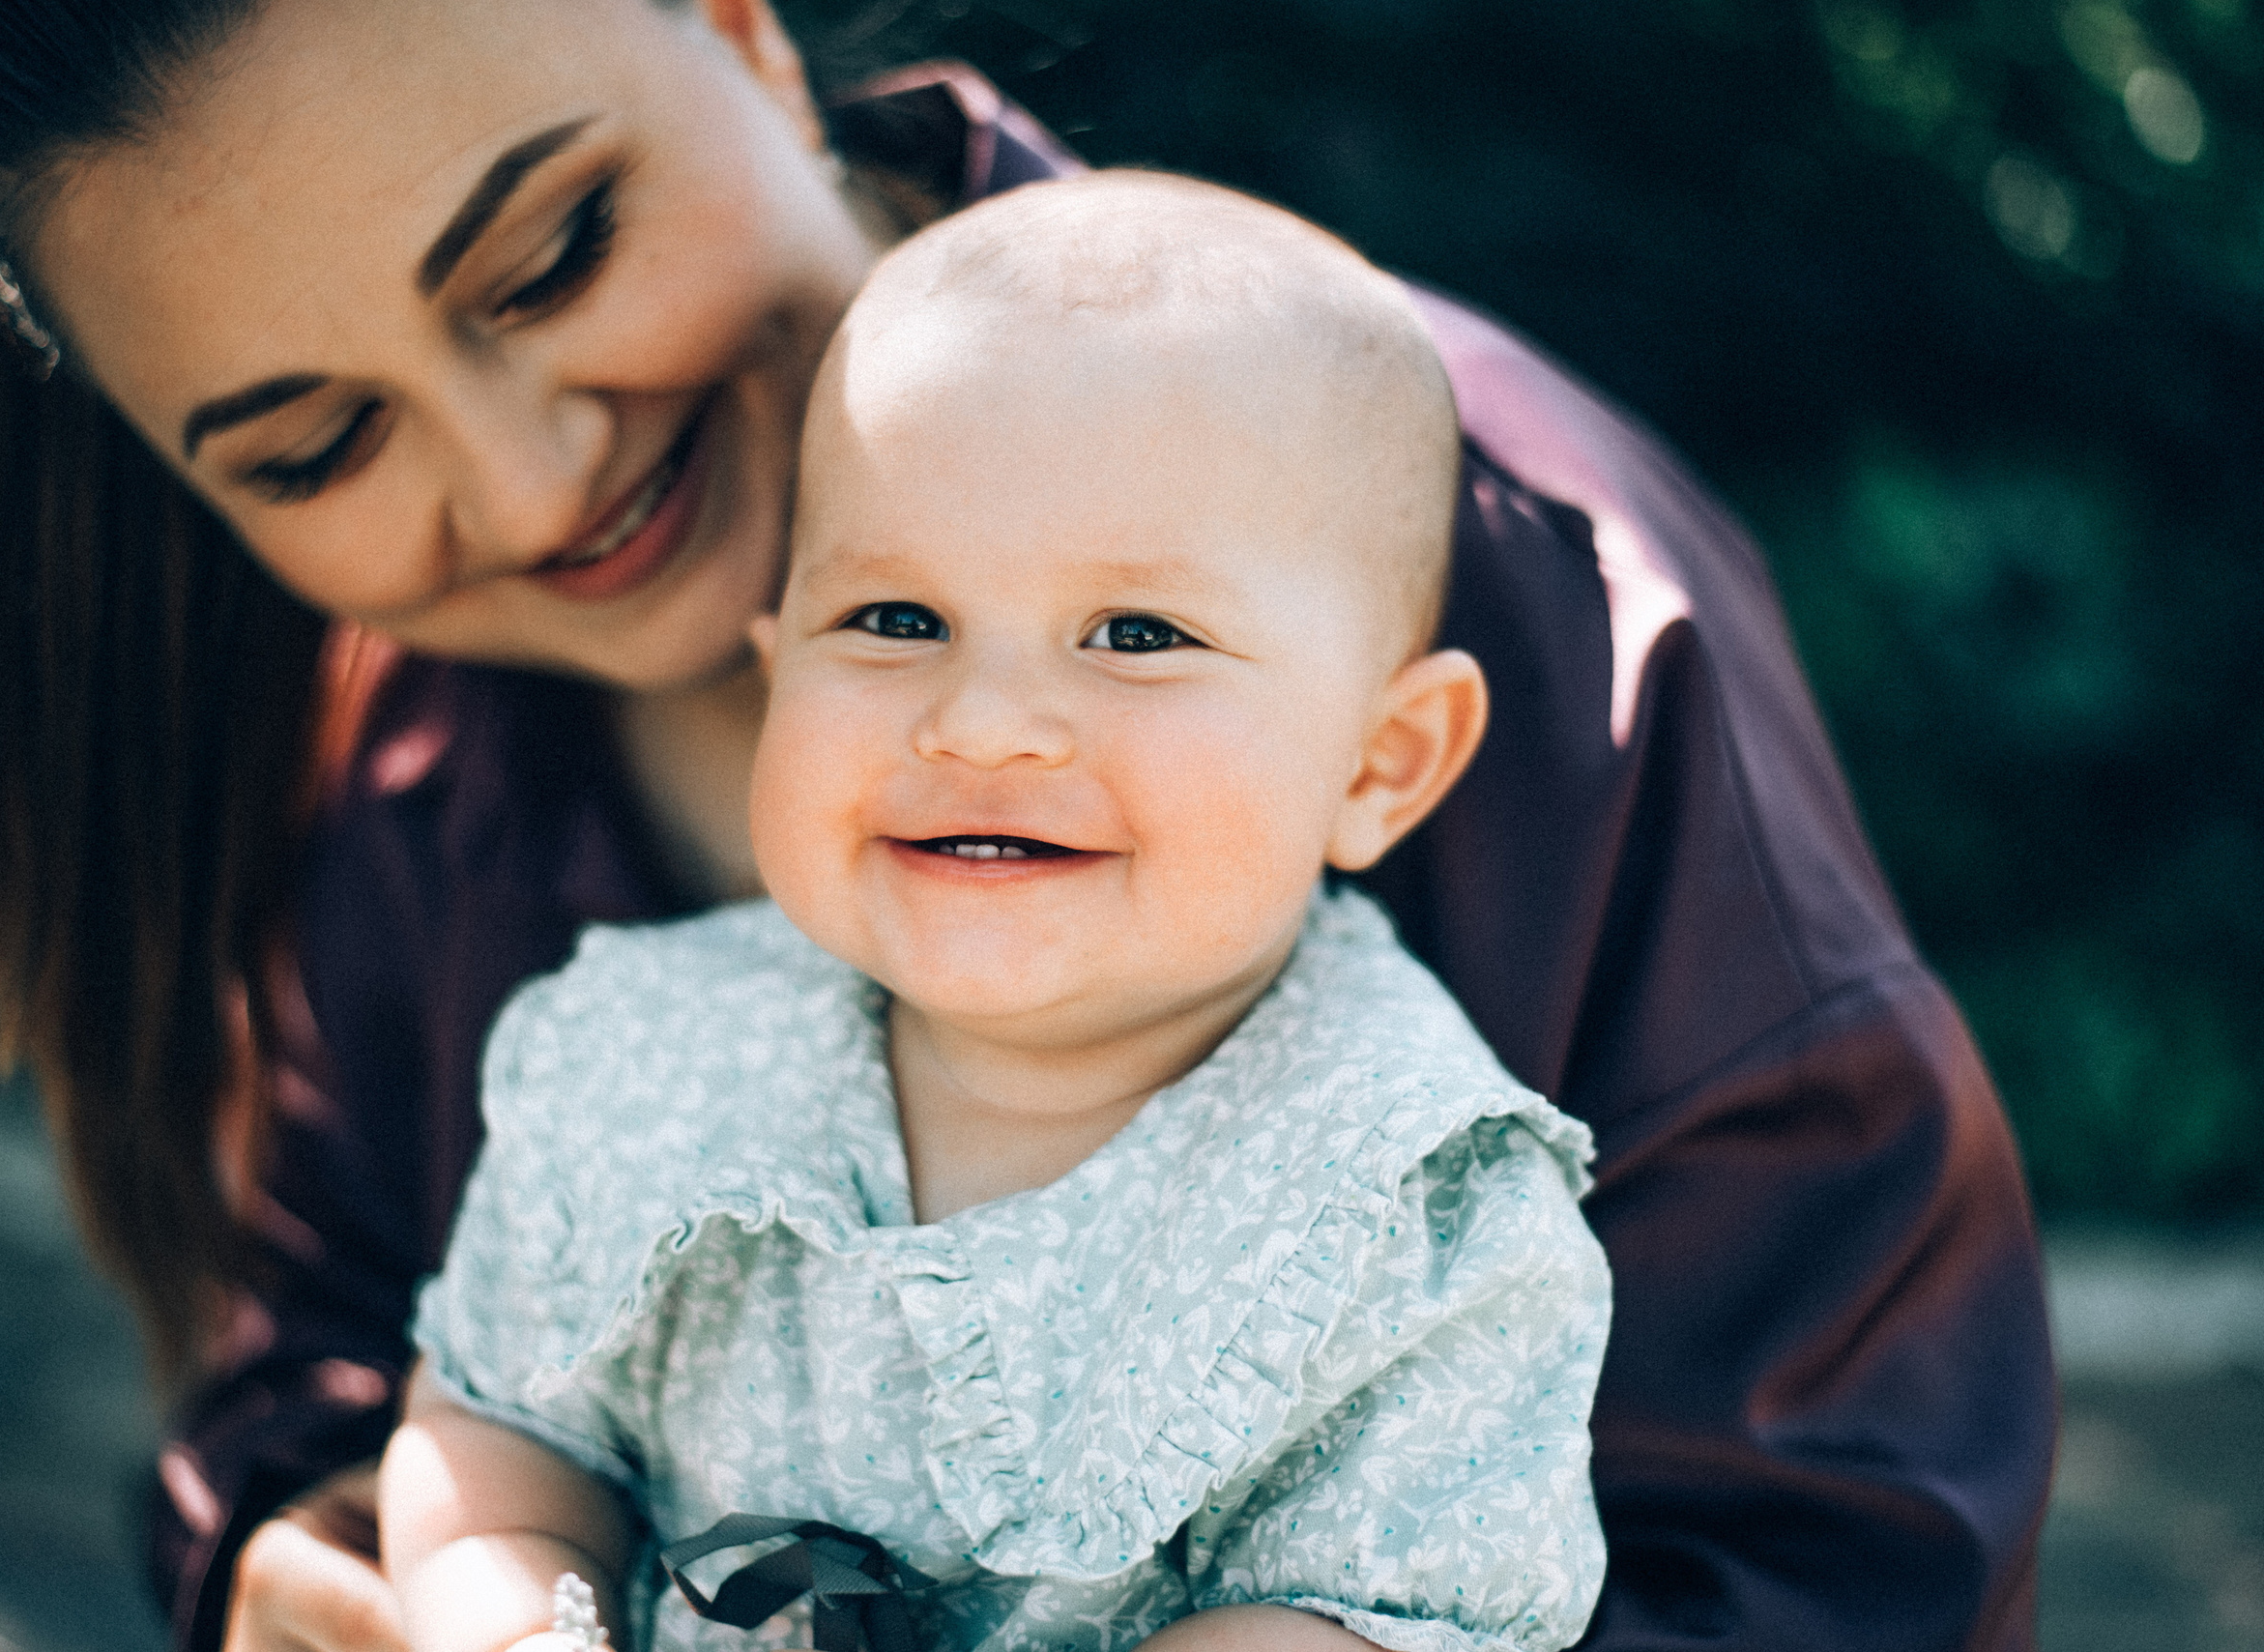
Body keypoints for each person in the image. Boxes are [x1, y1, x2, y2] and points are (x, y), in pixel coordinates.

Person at [0, 0, 2055, 1646]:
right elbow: (327, 1370)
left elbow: (1837, 1548)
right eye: (314, 445)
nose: (527, 487)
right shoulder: (422, 791)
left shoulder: (1512, 594)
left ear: (730, 27)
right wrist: (344, 1561)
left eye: (547, 256)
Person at [381, 171, 1613, 1652]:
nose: (984, 721)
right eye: (894, 620)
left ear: (1379, 758)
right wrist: (527, 1615)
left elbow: (1358, 1619)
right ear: (777, 670)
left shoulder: (1414, 1209)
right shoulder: (645, 1057)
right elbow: (495, 1432)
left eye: (1139, 634)